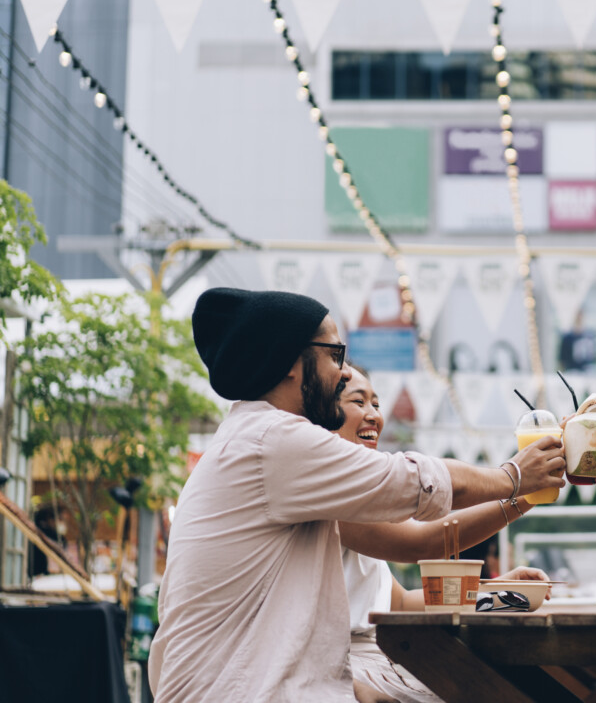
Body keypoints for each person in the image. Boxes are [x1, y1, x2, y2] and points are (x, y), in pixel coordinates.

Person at [149, 288, 565, 702]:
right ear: (292, 363)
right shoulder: (274, 441)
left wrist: (497, 595)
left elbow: (398, 601)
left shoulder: (267, 444)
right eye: (335, 355)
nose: (344, 372)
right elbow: (418, 507)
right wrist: (515, 477)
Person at [334, 365, 549, 703]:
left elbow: (402, 604)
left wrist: (496, 594)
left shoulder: (360, 493)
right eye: (358, 402)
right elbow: (423, 541)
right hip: (352, 672)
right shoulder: (331, 489)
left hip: (389, 662)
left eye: (376, 404)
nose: (373, 414)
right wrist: (520, 493)